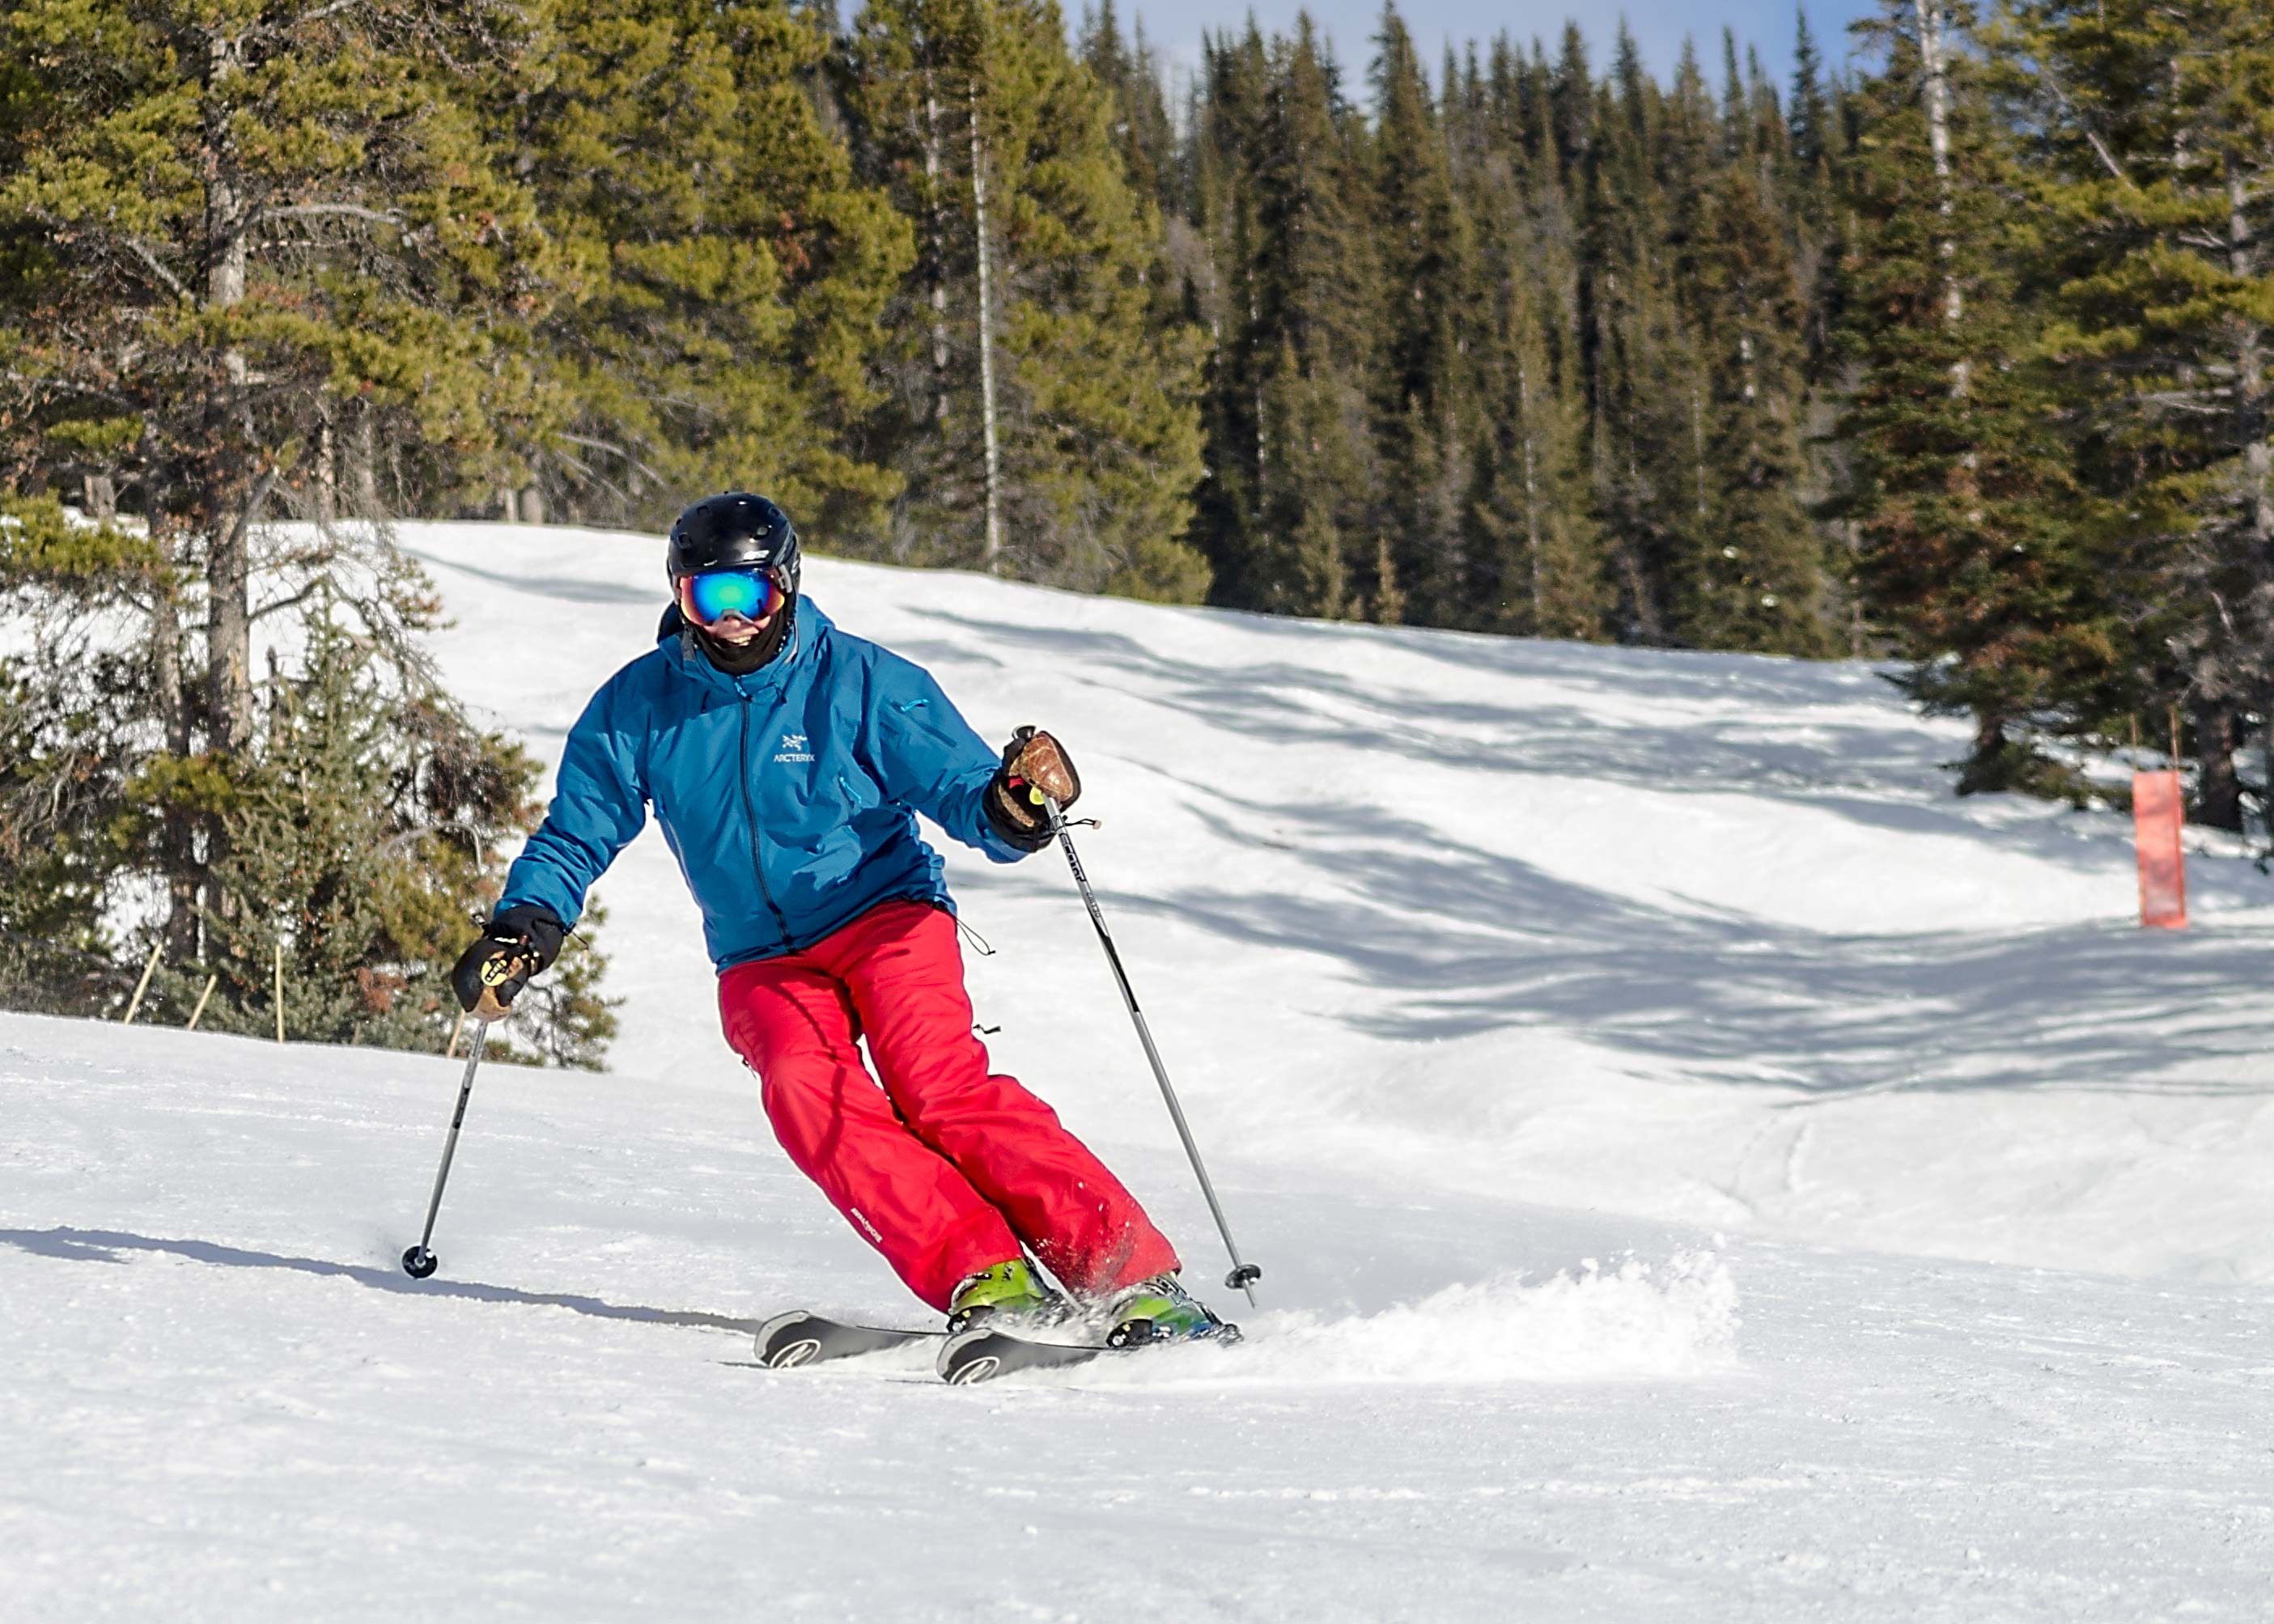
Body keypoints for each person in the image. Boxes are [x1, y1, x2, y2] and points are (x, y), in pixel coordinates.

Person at [449, 492, 1230, 1343]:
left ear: (786, 586)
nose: (735, 622)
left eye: (753, 597)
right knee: (801, 1088)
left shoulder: (862, 682)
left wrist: (1013, 805)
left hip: (885, 915)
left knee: (936, 1085)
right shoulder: (639, 706)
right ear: (679, 599)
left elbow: (968, 797)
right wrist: (526, 923)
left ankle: (1132, 1276)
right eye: (709, 600)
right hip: (759, 956)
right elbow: (578, 827)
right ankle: (985, 1272)